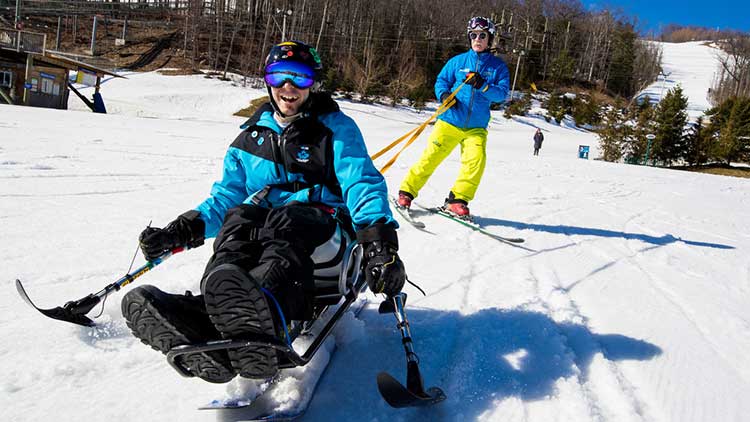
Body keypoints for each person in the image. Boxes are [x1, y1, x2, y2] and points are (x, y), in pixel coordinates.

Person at [121, 41, 406, 384]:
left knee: (288, 219)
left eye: (299, 78)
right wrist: (182, 229)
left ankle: (270, 311)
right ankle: (206, 316)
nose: (289, 87)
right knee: (239, 219)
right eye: (279, 76)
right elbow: (226, 195)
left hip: (328, 234)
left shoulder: (334, 129)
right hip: (271, 222)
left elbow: (361, 182)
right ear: (267, 80)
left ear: (312, 82)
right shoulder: (250, 137)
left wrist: (379, 243)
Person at [397, 16, 510, 217]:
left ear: (490, 39)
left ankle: (457, 200)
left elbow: (501, 94)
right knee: (430, 158)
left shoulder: (498, 67)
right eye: (474, 35)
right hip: (449, 121)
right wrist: (445, 96)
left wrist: (483, 85)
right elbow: (441, 81)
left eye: (483, 35)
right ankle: (407, 192)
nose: (478, 39)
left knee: (476, 162)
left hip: (475, 127)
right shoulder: (457, 62)